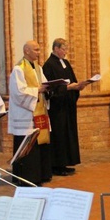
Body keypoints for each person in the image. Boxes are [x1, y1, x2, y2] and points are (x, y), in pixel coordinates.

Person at [8, 40, 53, 184]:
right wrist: (38, 90)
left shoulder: (38, 68)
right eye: (36, 50)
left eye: (39, 50)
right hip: (25, 114)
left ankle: (40, 175)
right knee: (27, 146)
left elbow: (44, 84)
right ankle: (26, 177)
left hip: (38, 112)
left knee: (39, 145)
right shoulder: (19, 69)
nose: (39, 53)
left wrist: (49, 89)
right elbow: (18, 93)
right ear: (26, 51)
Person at [43, 38, 88, 176]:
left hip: (68, 106)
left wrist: (78, 86)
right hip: (57, 108)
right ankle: (56, 165)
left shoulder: (66, 63)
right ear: (56, 49)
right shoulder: (48, 65)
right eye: (64, 49)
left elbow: (72, 81)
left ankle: (66, 162)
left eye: (66, 49)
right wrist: (67, 88)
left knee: (68, 134)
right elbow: (49, 89)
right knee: (59, 135)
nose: (65, 52)